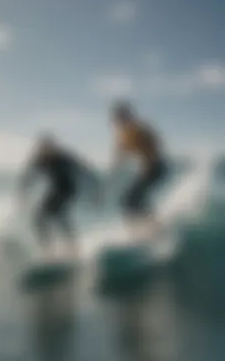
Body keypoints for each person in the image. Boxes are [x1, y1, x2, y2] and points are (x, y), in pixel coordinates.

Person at [19, 133, 101, 261]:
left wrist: (95, 192)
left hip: (68, 189)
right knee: (38, 217)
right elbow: (28, 177)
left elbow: (85, 171)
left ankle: (72, 247)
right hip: (55, 189)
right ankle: (48, 248)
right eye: (44, 149)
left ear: (54, 147)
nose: (47, 152)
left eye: (49, 148)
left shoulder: (64, 158)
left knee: (57, 213)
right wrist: (23, 194)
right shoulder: (39, 160)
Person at [110, 101, 167, 239]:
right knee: (129, 200)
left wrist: (150, 159)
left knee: (134, 198)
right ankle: (139, 230)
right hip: (148, 169)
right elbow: (120, 153)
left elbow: (155, 142)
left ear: (126, 116)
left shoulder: (139, 129)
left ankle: (152, 228)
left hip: (156, 167)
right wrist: (115, 165)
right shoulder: (123, 134)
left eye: (120, 117)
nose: (118, 122)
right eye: (116, 119)